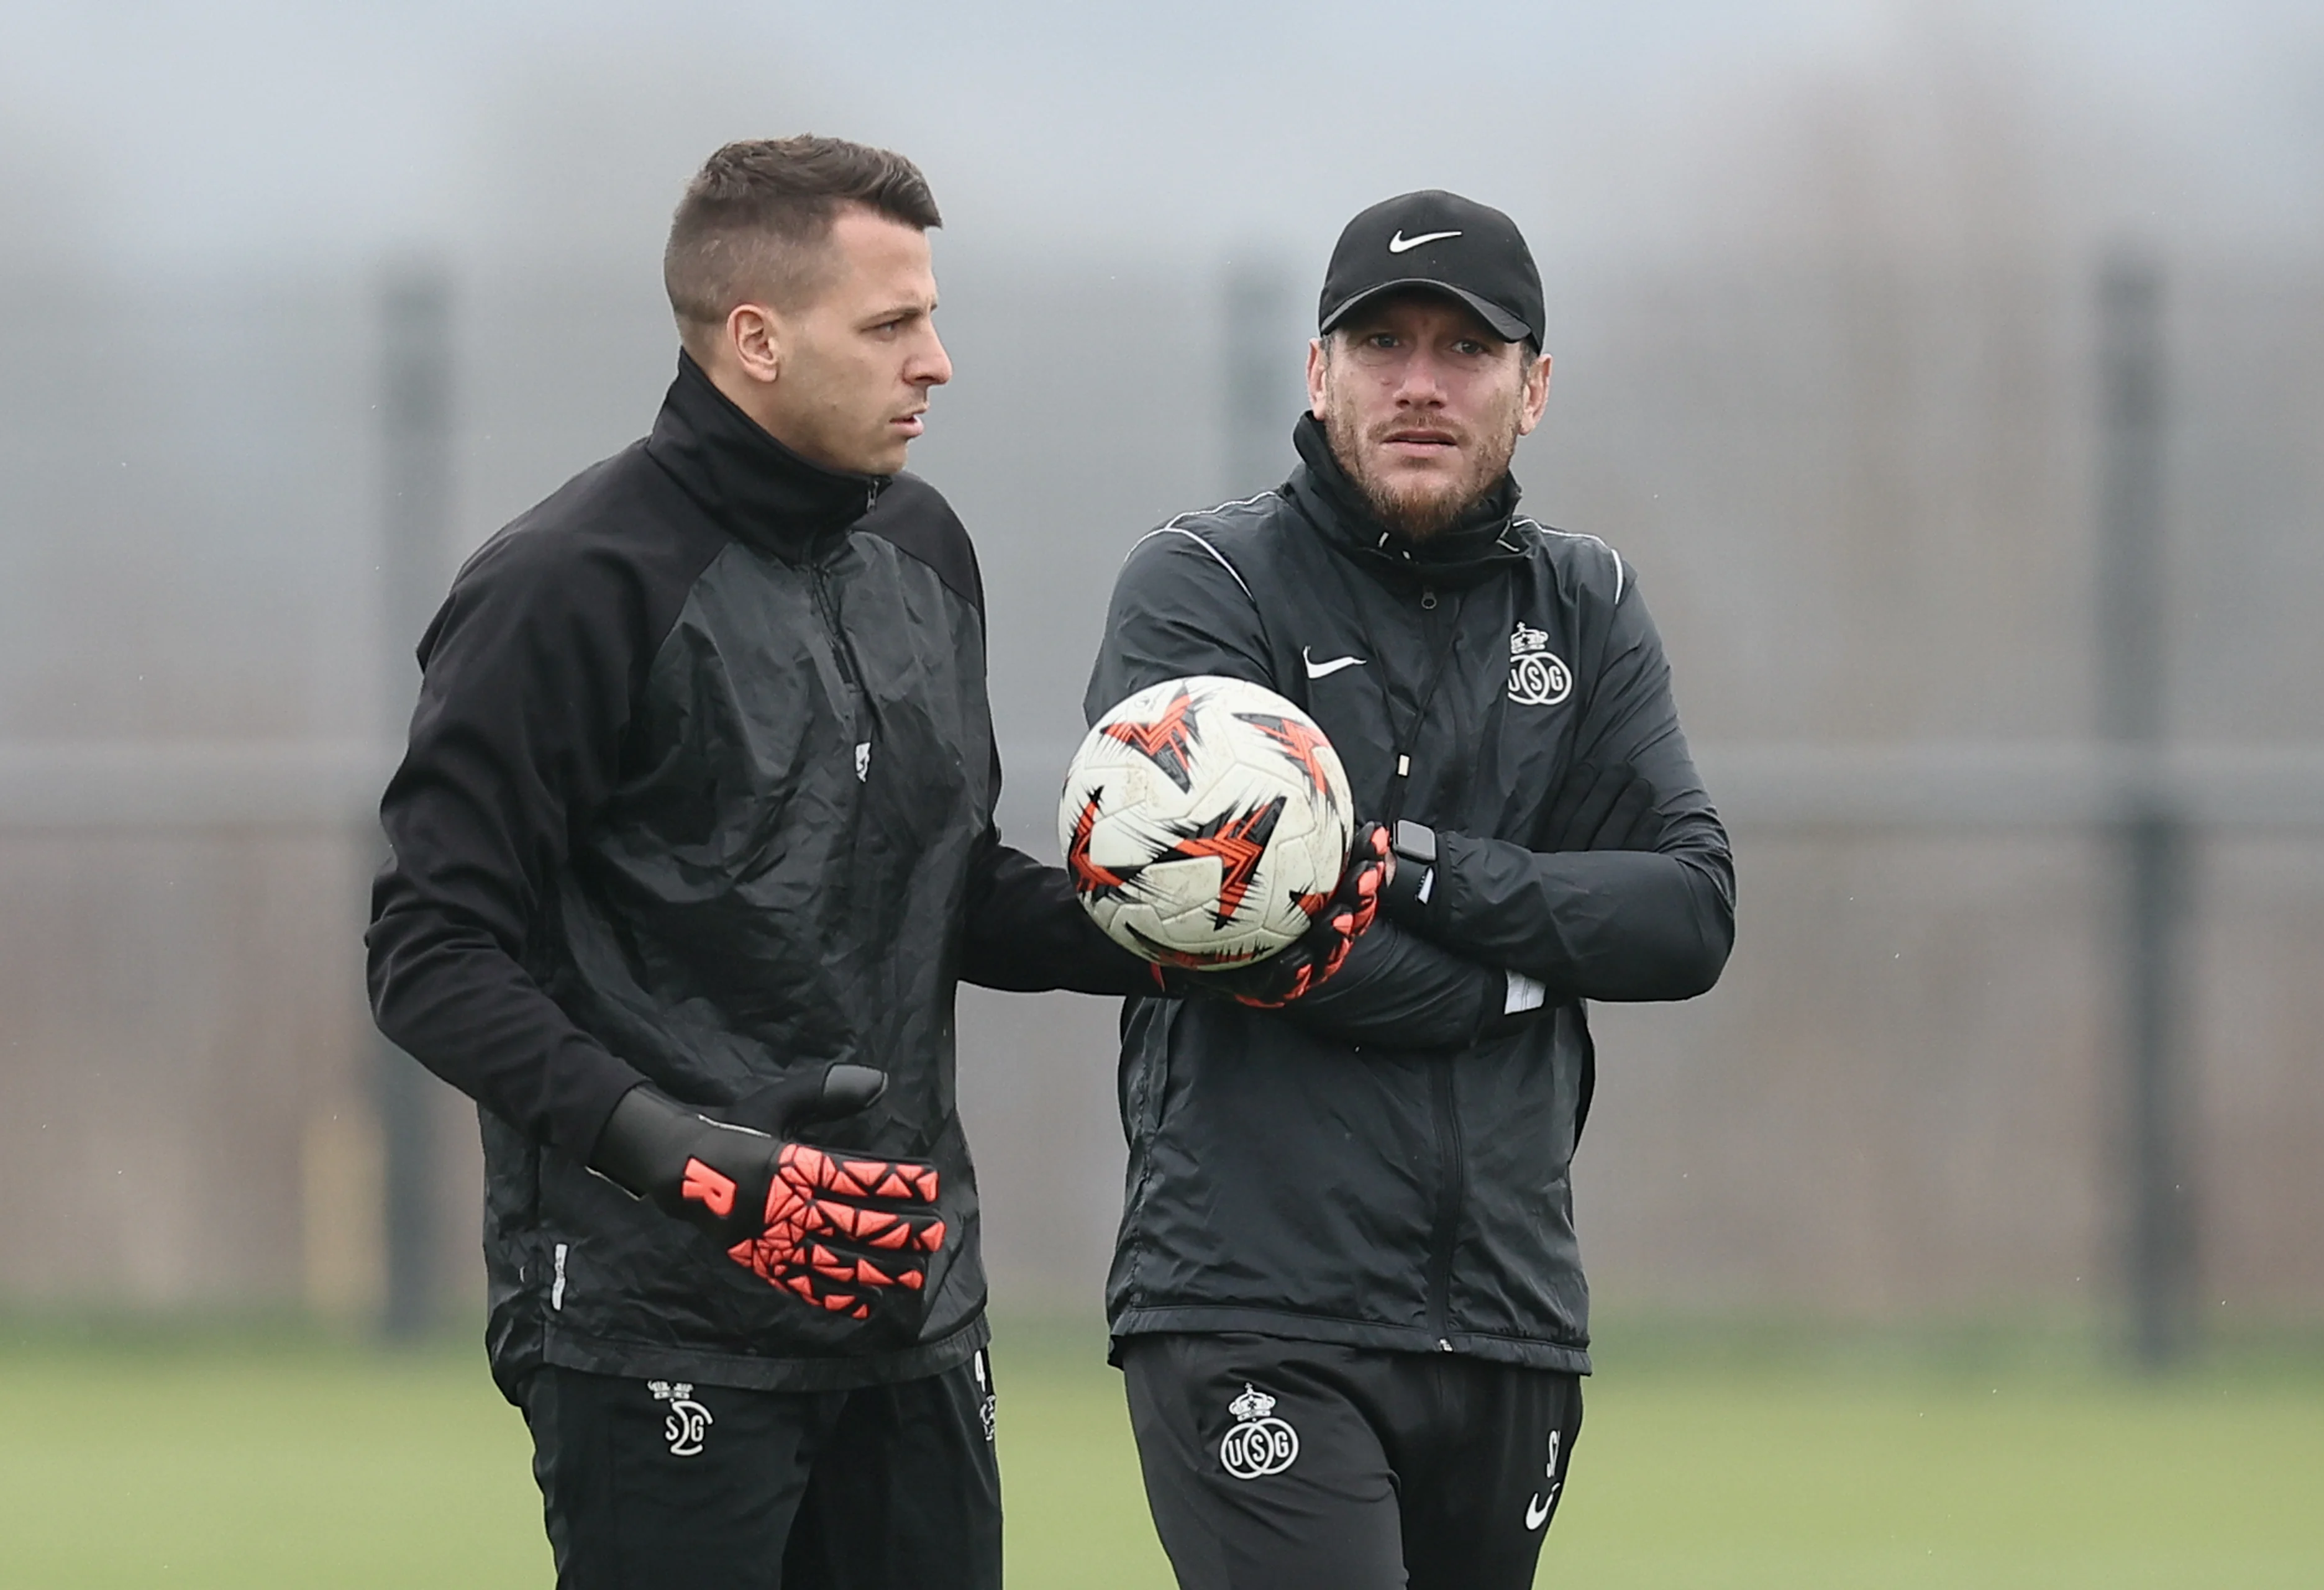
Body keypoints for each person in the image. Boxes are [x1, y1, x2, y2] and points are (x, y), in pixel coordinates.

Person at [366, 135, 1154, 1590]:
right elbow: (429, 958)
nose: (938, 362)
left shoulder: (926, 549)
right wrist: (684, 1157)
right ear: (755, 339)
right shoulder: (566, 586)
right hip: (654, 1314)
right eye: (892, 324)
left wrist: (1181, 930)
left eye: (930, 315)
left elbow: (943, 884)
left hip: (902, 1292)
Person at [1082, 189, 1736, 1589]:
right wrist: (1528, 964)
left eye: (1467, 348)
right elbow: (1231, 928)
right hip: (1254, 1301)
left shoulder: (1588, 604)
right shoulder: (1204, 585)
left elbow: (1688, 912)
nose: (1422, 383)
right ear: (1318, 373)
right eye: (1381, 343)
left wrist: (1421, 865)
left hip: (1508, 1312)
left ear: (1536, 386)